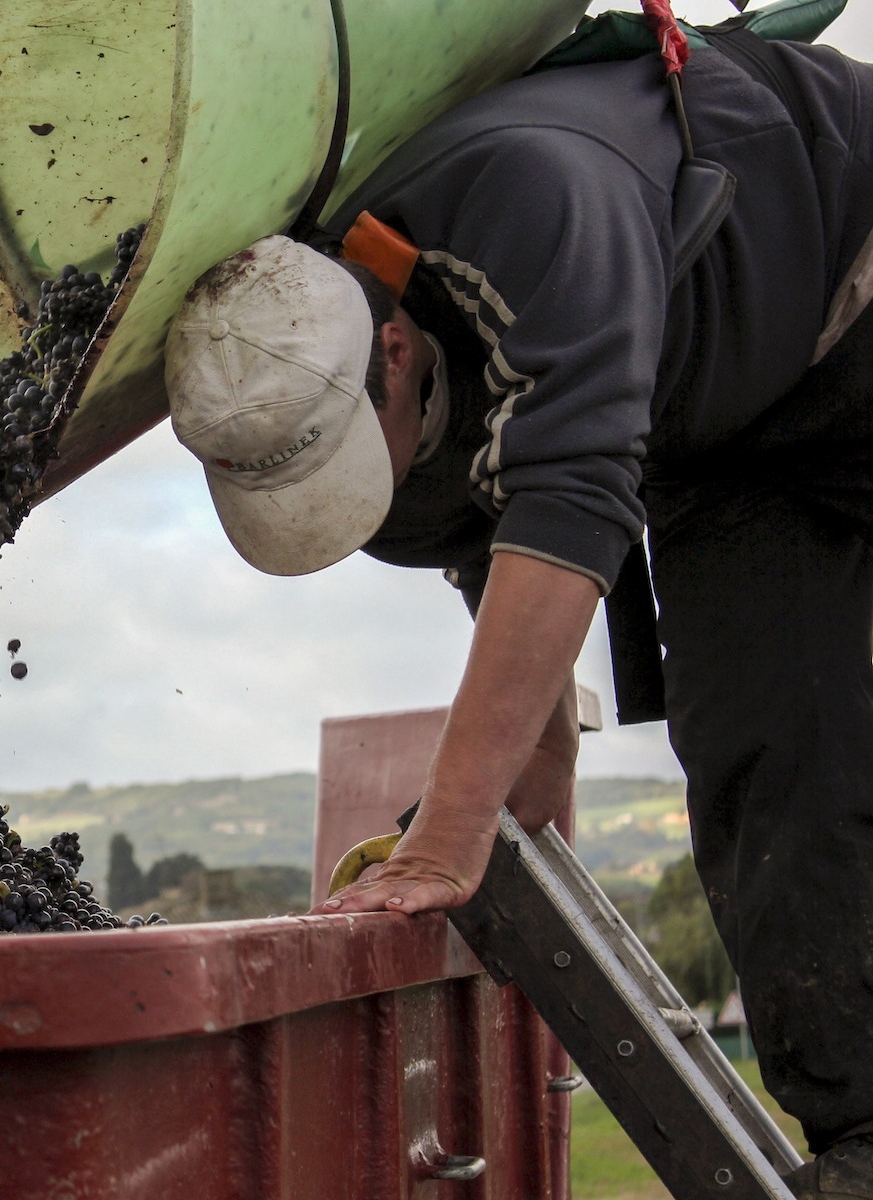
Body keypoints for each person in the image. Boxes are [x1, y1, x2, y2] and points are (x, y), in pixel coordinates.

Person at [163, 30, 873, 1197]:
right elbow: (493, 532)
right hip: (731, 424)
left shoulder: (534, 199)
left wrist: (453, 829)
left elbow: (571, 504)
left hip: (849, 263)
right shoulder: (329, 393)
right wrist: (536, 759)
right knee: (762, 748)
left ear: (393, 348)